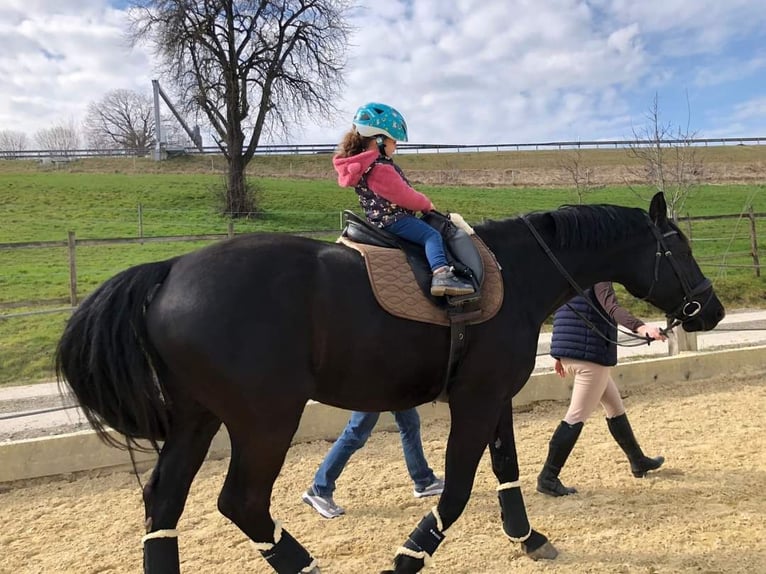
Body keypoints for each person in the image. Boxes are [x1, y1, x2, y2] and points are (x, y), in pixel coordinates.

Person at [537, 281, 667, 497]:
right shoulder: (599, 273)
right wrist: (642, 328)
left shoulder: (570, 268)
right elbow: (612, 308)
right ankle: (548, 477)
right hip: (590, 357)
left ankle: (638, 461)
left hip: (571, 354)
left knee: (614, 407)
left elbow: (560, 310)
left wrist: (559, 354)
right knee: (575, 416)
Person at [333, 101, 474, 297]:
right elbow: (404, 196)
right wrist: (425, 204)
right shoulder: (380, 169)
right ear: (379, 140)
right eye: (393, 141)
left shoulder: (366, 166)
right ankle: (441, 274)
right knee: (431, 235)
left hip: (380, 220)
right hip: (395, 220)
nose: (396, 146)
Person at [302, 409, 444, 519]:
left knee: (410, 423)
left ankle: (424, 480)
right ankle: (320, 489)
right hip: (374, 381)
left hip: (392, 379)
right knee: (357, 432)